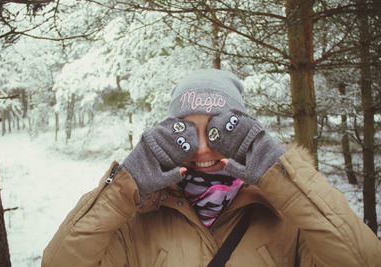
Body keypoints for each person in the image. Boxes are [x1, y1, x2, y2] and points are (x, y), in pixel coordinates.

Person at [42, 69, 381, 267]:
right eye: (188, 132)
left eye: (219, 131)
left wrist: (282, 174)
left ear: (245, 131)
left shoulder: (287, 215)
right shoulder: (138, 215)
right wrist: (122, 187)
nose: (203, 149)